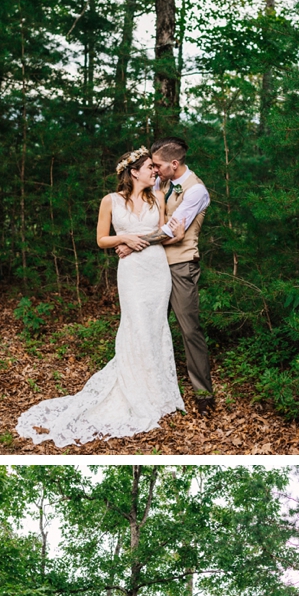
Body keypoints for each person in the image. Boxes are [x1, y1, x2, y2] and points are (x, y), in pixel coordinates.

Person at [16, 147, 186, 447]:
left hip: (156, 270)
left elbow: (164, 233)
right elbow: (100, 239)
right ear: (133, 172)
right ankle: (134, 388)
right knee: (135, 325)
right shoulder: (110, 201)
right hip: (131, 272)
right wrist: (123, 239)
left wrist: (144, 240)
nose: (154, 171)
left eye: (154, 168)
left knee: (156, 325)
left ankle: (158, 392)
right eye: (149, 167)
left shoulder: (157, 197)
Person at [117, 136, 215, 416]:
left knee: (189, 329)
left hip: (181, 266)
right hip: (151, 268)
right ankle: (146, 387)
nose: (155, 170)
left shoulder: (196, 191)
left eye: (158, 165)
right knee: (149, 326)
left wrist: (132, 242)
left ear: (174, 163)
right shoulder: (160, 182)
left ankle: (203, 394)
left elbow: (171, 232)